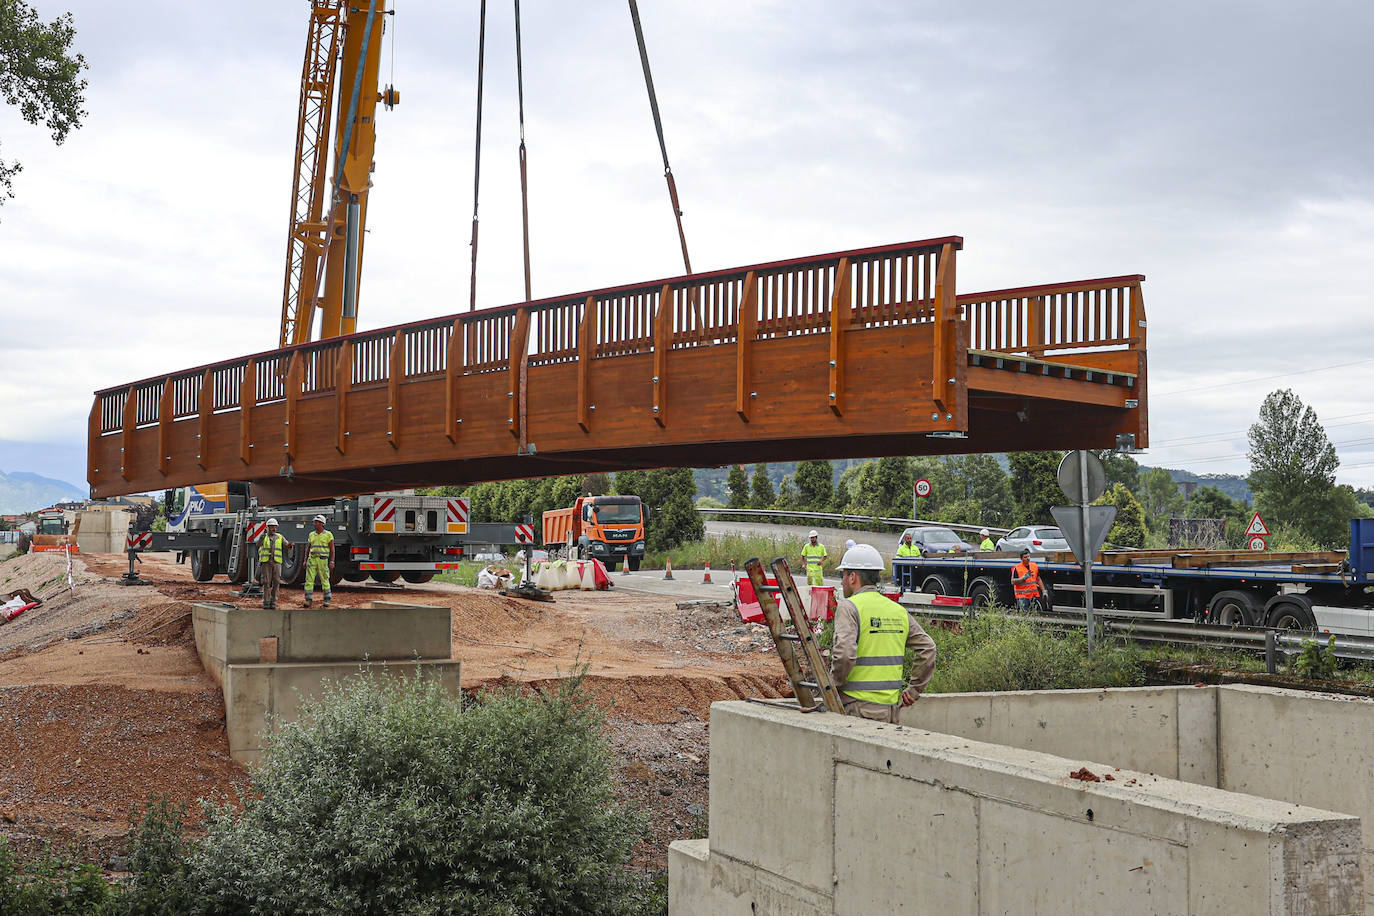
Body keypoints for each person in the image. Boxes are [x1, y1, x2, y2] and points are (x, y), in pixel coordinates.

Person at [830, 543, 937, 722]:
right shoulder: (897, 610)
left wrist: (833, 685)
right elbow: (928, 648)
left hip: (857, 709)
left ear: (852, 577)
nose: (842, 581)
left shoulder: (849, 607)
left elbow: (845, 655)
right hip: (891, 712)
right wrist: (914, 690)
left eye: (844, 575)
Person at [303, 514, 335, 607]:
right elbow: (308, 548)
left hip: (323, 560)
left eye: (316, 522)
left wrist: (332, 561)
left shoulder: (328, 535)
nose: (314, 524)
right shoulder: (311, 534)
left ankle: (327, 600)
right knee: (309, 580)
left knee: (325, 580)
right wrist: (305, 560)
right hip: (312, 560)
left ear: (322, 524)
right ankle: (308, 600)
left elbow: (332, 549)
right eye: (314, 522)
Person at [257, 518, 287, 610]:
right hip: (266, 562)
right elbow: (258, 544)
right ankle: (266, 602)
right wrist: (263, 534)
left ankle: (273, 601)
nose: (274, 529)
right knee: (266, 582)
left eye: (275, 527)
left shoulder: (280, 537)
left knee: (277, 581)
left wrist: (289, 545)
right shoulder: (264, 537)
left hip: (277, 562)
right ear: (268, 528)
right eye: (272, 527)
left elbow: (286, 544)